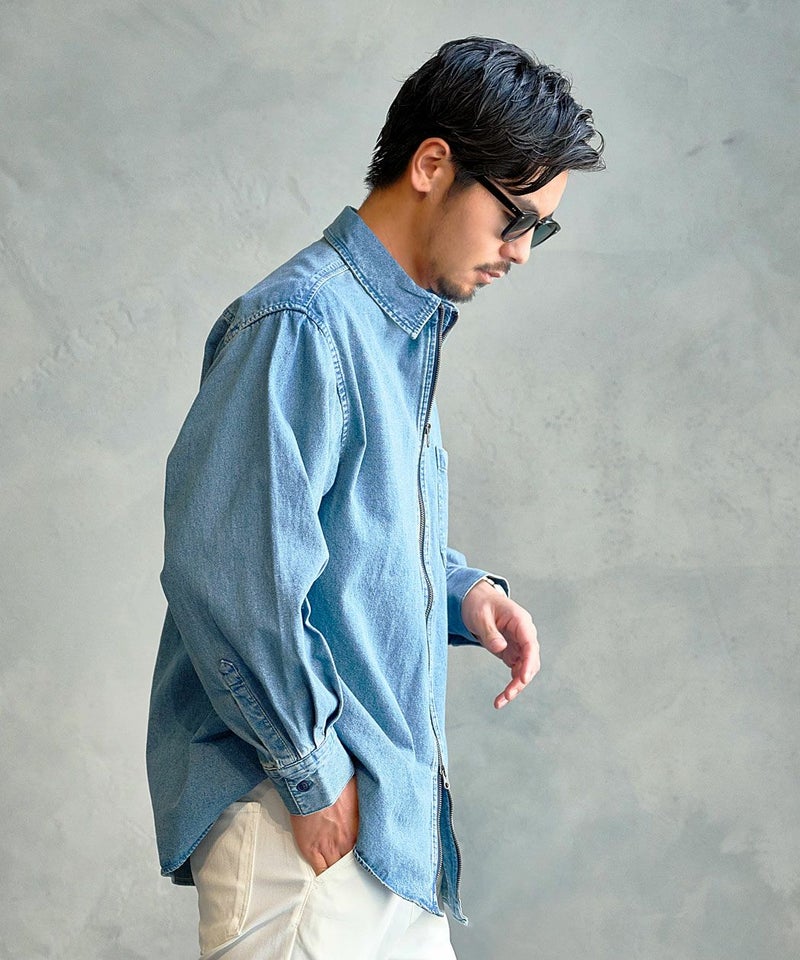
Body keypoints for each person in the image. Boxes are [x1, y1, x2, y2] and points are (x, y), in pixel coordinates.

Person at [146, 35, 604, 960]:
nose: (522, 252)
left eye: (541, 230)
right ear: (432, 165)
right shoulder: (302, 323)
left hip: (387, 833)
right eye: (516, 217)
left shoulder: (394, 331)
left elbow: (341, 535)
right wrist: (311, 774)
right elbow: (227, 573)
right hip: (302, 831)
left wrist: (465, 594)